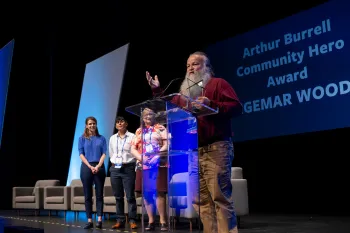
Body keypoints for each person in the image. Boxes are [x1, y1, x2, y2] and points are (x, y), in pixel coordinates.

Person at [145, 51, 243, 233]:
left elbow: (237, 107)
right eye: (188, 65)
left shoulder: (218, 84)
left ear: (206, 67)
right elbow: (168, 103)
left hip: (216, 147)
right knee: (200, 199)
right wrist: (157, 90)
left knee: (219, 198)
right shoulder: (185, 94)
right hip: (193, 151)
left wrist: (211, 104)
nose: (190, 68)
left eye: (195, 64)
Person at [130, 108, 169, 231]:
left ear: (154, 116)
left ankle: (163, 221)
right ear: (142, 117)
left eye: (150, 114)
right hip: (143, 165)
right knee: (146, 194)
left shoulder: (161, 128)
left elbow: (167, 145)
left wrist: (157, 155)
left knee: (159, 192)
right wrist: (141, 159)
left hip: (159, 163)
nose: (147, 116)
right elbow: (133, 149)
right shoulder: (139, 131)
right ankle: (151, 221)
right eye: (145, 115)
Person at [108, 116, 138, 229]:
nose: (120, 124)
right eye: (117, 122)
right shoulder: (112, 138)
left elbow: (135, 151)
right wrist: (115, 163)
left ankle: (132, 219)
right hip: (115, 168)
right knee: (118, 197)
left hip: (128, 168)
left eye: (122, 121)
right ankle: (120, 220)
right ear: (116, 125)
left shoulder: (132, 137)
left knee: (130, 196)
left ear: (126, 124)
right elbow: (111, 153)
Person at [78, 116, 107, 229]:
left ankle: (99, 219)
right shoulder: (82, 138)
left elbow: (104, 153)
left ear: (96, 125)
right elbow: (81, 154)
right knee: (87, 195)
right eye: (90, 124)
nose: (92, 125)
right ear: (86, 125)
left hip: (99, 167)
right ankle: (89, 220)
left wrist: (98, 166)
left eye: (94, 123)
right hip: (86, 167)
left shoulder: (102, 138)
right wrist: (90, 166)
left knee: (99, 195)